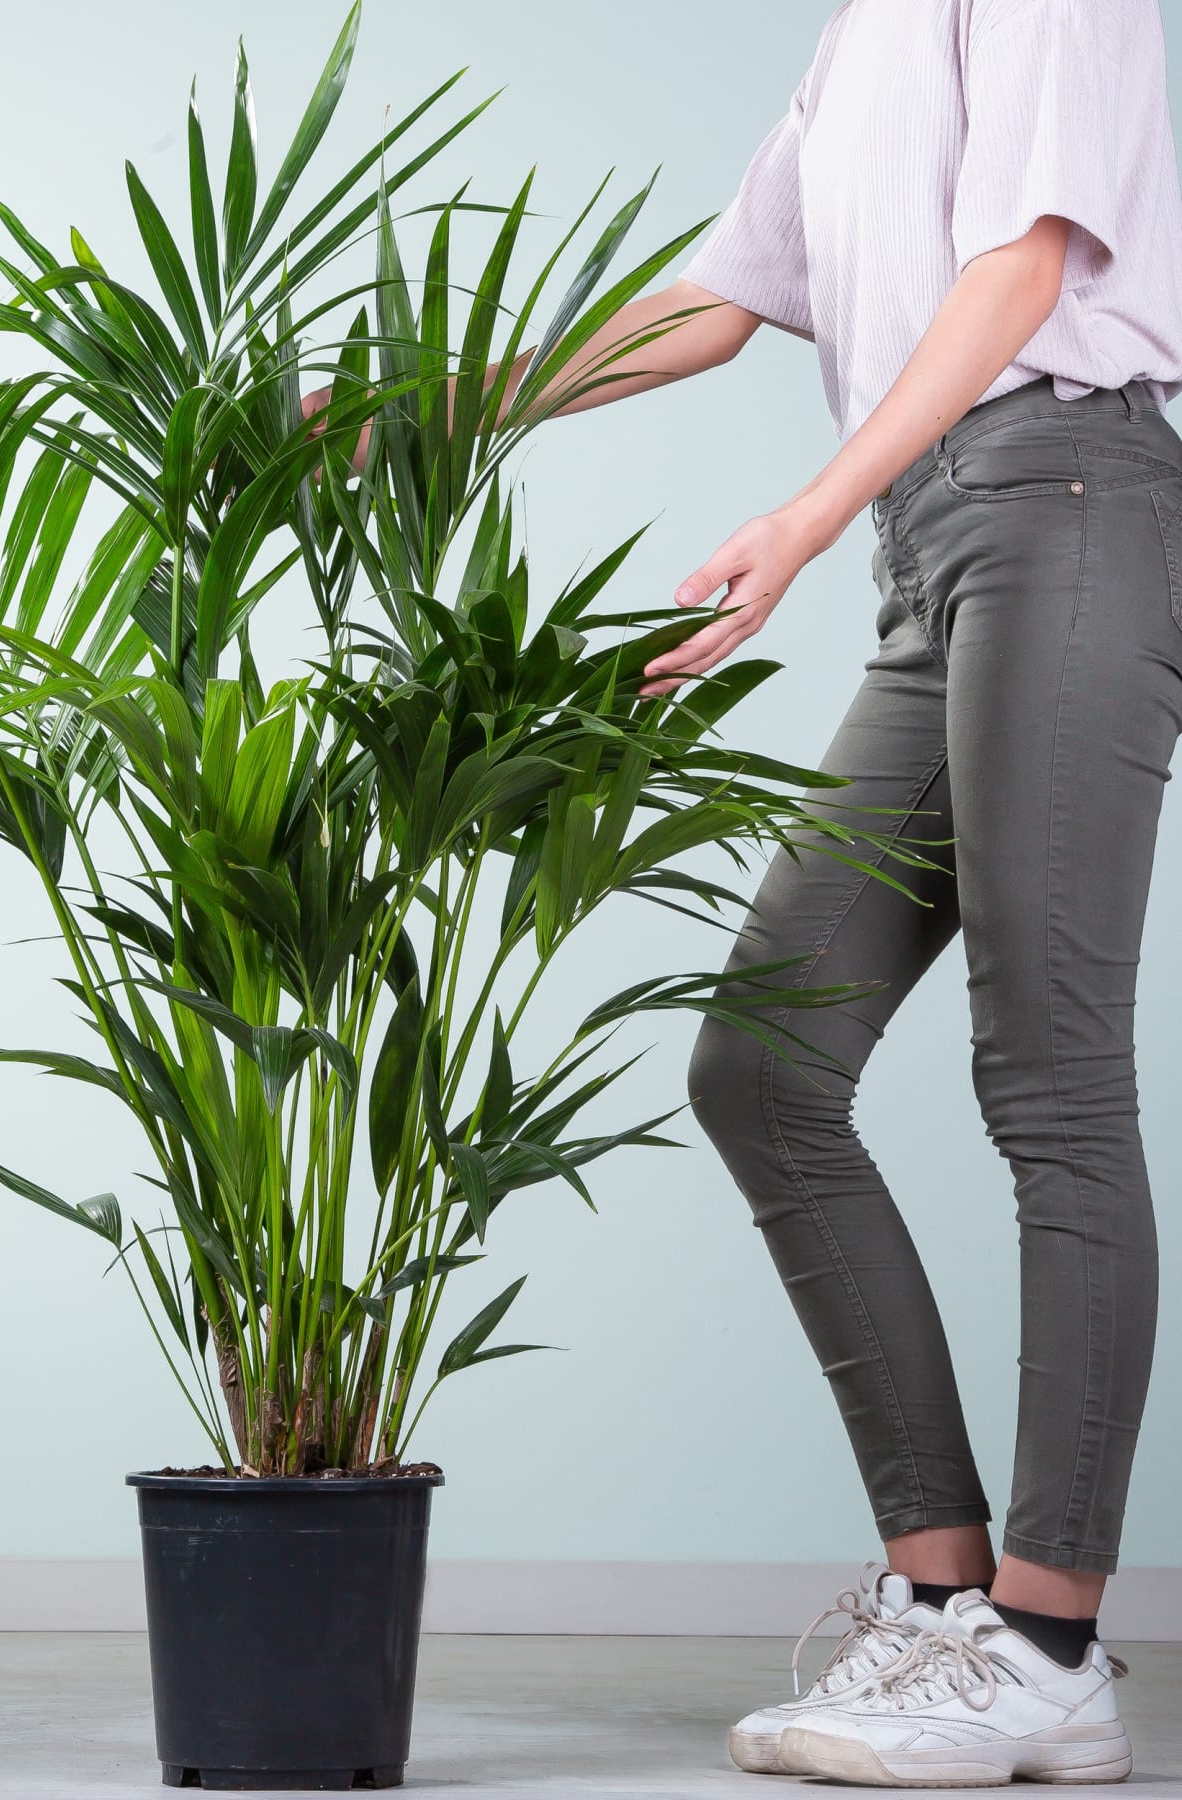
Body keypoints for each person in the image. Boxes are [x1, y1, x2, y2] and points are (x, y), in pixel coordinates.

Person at [302, 0, 1182, 1784]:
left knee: (1048, 1066)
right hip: (932, 538)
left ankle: (1052, 1641)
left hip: (1073, 491)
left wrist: (795, 518)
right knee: (763, 1069)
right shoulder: (858, 34)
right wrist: (420, 409)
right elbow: (719, 306)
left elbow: (1027, 270)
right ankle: (948, 1609)